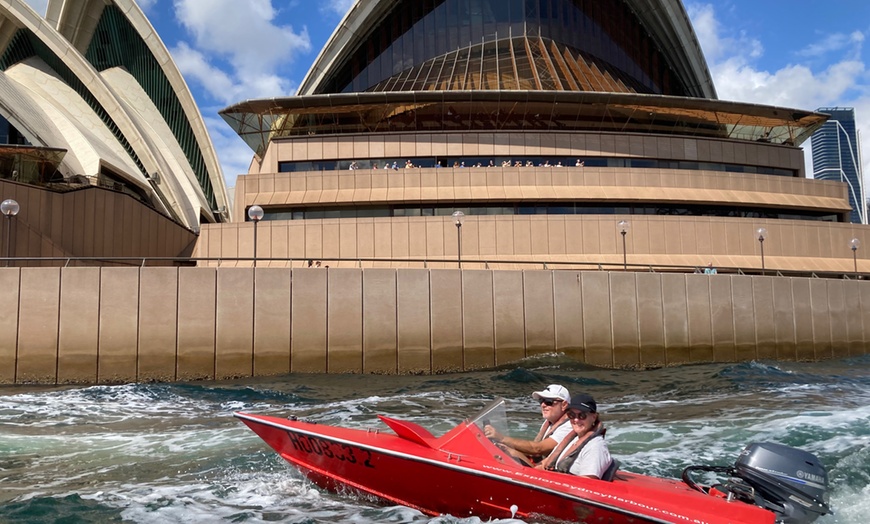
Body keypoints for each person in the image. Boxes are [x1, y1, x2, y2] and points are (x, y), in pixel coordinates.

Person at [484, 384, 573, 465]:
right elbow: (533, 450)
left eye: (548, 402)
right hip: (539, 465)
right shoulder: (549, 422)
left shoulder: (569, 426)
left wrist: (501, 438)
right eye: (541, 401)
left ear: (564, 405)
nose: (543, 405)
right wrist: (506, 447)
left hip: (551, 473)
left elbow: (538, 449)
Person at [538, 393, 612, 479]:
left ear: (594, 417)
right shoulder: (571, 439)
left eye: (582, 415)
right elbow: (545, 463)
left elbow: (588, 483)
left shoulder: (595, 447)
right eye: (572, 415)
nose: (576, 420)